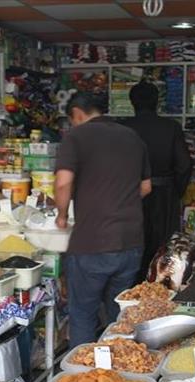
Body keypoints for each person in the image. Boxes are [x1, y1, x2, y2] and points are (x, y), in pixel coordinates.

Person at [55, 92, 152, 347]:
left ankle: (84, 368)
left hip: (91, 244)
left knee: (83, 315)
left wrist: (62, 216)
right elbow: (146, 187)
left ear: (77, 114)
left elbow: (63, 183)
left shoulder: (76, 137)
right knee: (118, 317)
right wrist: (120, 202)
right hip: (130, 243)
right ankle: (119, 365)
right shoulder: (132, 137)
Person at [123, 81, 192, 279]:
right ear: (157, 102)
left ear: (132, 102)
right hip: (165, 195)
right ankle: (162, 287)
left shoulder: (122, 128)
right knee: (165, 249)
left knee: (133, 245)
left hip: (131, 195)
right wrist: (177, 191)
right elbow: (184, 165)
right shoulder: (171, 127)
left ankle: (133, 288)